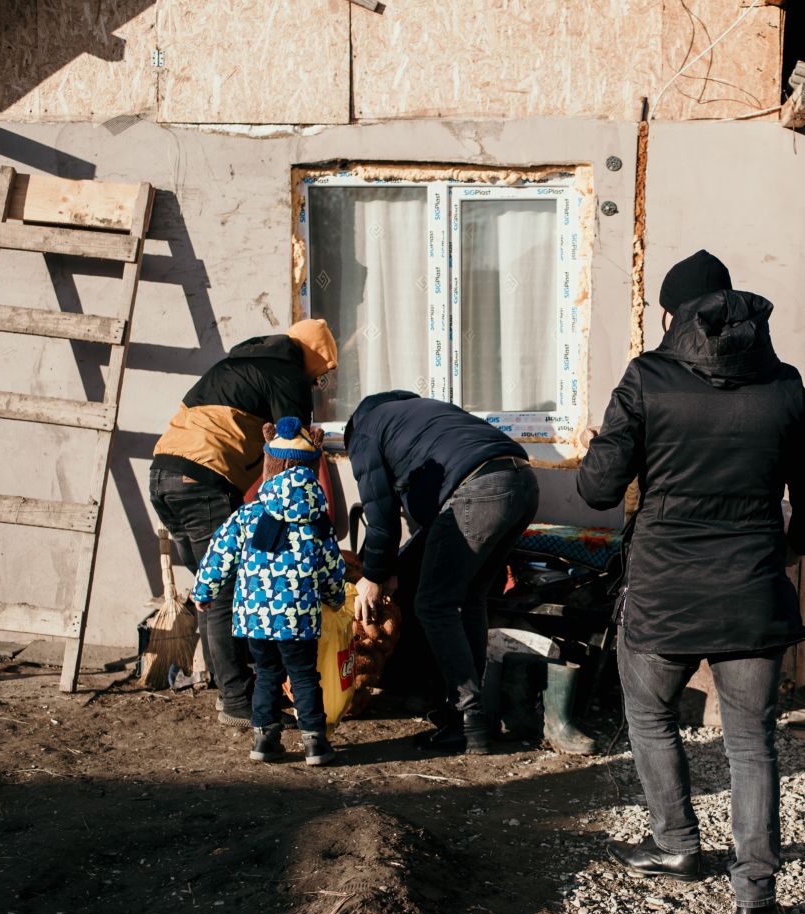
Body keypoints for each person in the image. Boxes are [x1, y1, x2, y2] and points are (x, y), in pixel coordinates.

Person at [577, 250, 805, 914]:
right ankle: (756, 901)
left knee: (650, 715)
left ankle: (676, 844)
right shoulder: (785, 386)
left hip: (663, 593)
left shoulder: (647, 378)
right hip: (753, 593)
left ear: (673, 317)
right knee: (752, 743)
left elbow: (596, 490)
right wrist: (781, 551)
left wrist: (604, 445)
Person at [149, 319, 338, 725]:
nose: (317, 383)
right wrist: (312, 511)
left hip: (163, 476)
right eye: (320, 375)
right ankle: (237, 699)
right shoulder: (288, 374)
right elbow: (294, 450)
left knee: (209, 583)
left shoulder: (237, 364)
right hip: (203, 480)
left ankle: (229, 688)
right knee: (223, 594)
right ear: (312, 360)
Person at [344, 391, 548, 755]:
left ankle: (465, 717)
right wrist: (390, 568)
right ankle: (474, 715)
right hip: (523, 481)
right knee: (470, 598)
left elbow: (382, 517)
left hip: (479, 489)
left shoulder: (365, 431)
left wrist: (373, 577)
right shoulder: (425, 414)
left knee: (434, 604)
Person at [192, 419, 347, 766]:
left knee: (266, 674)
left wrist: (204, 590)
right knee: (304, 676)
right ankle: (314, 743)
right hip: (299, 619)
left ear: (271, 464)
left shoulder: (249, 514)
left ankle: (264, 739)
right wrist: (335, 597)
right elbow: (331, 566)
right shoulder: (317, 520)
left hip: (256, 617)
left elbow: (220, 552)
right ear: (311, 469)